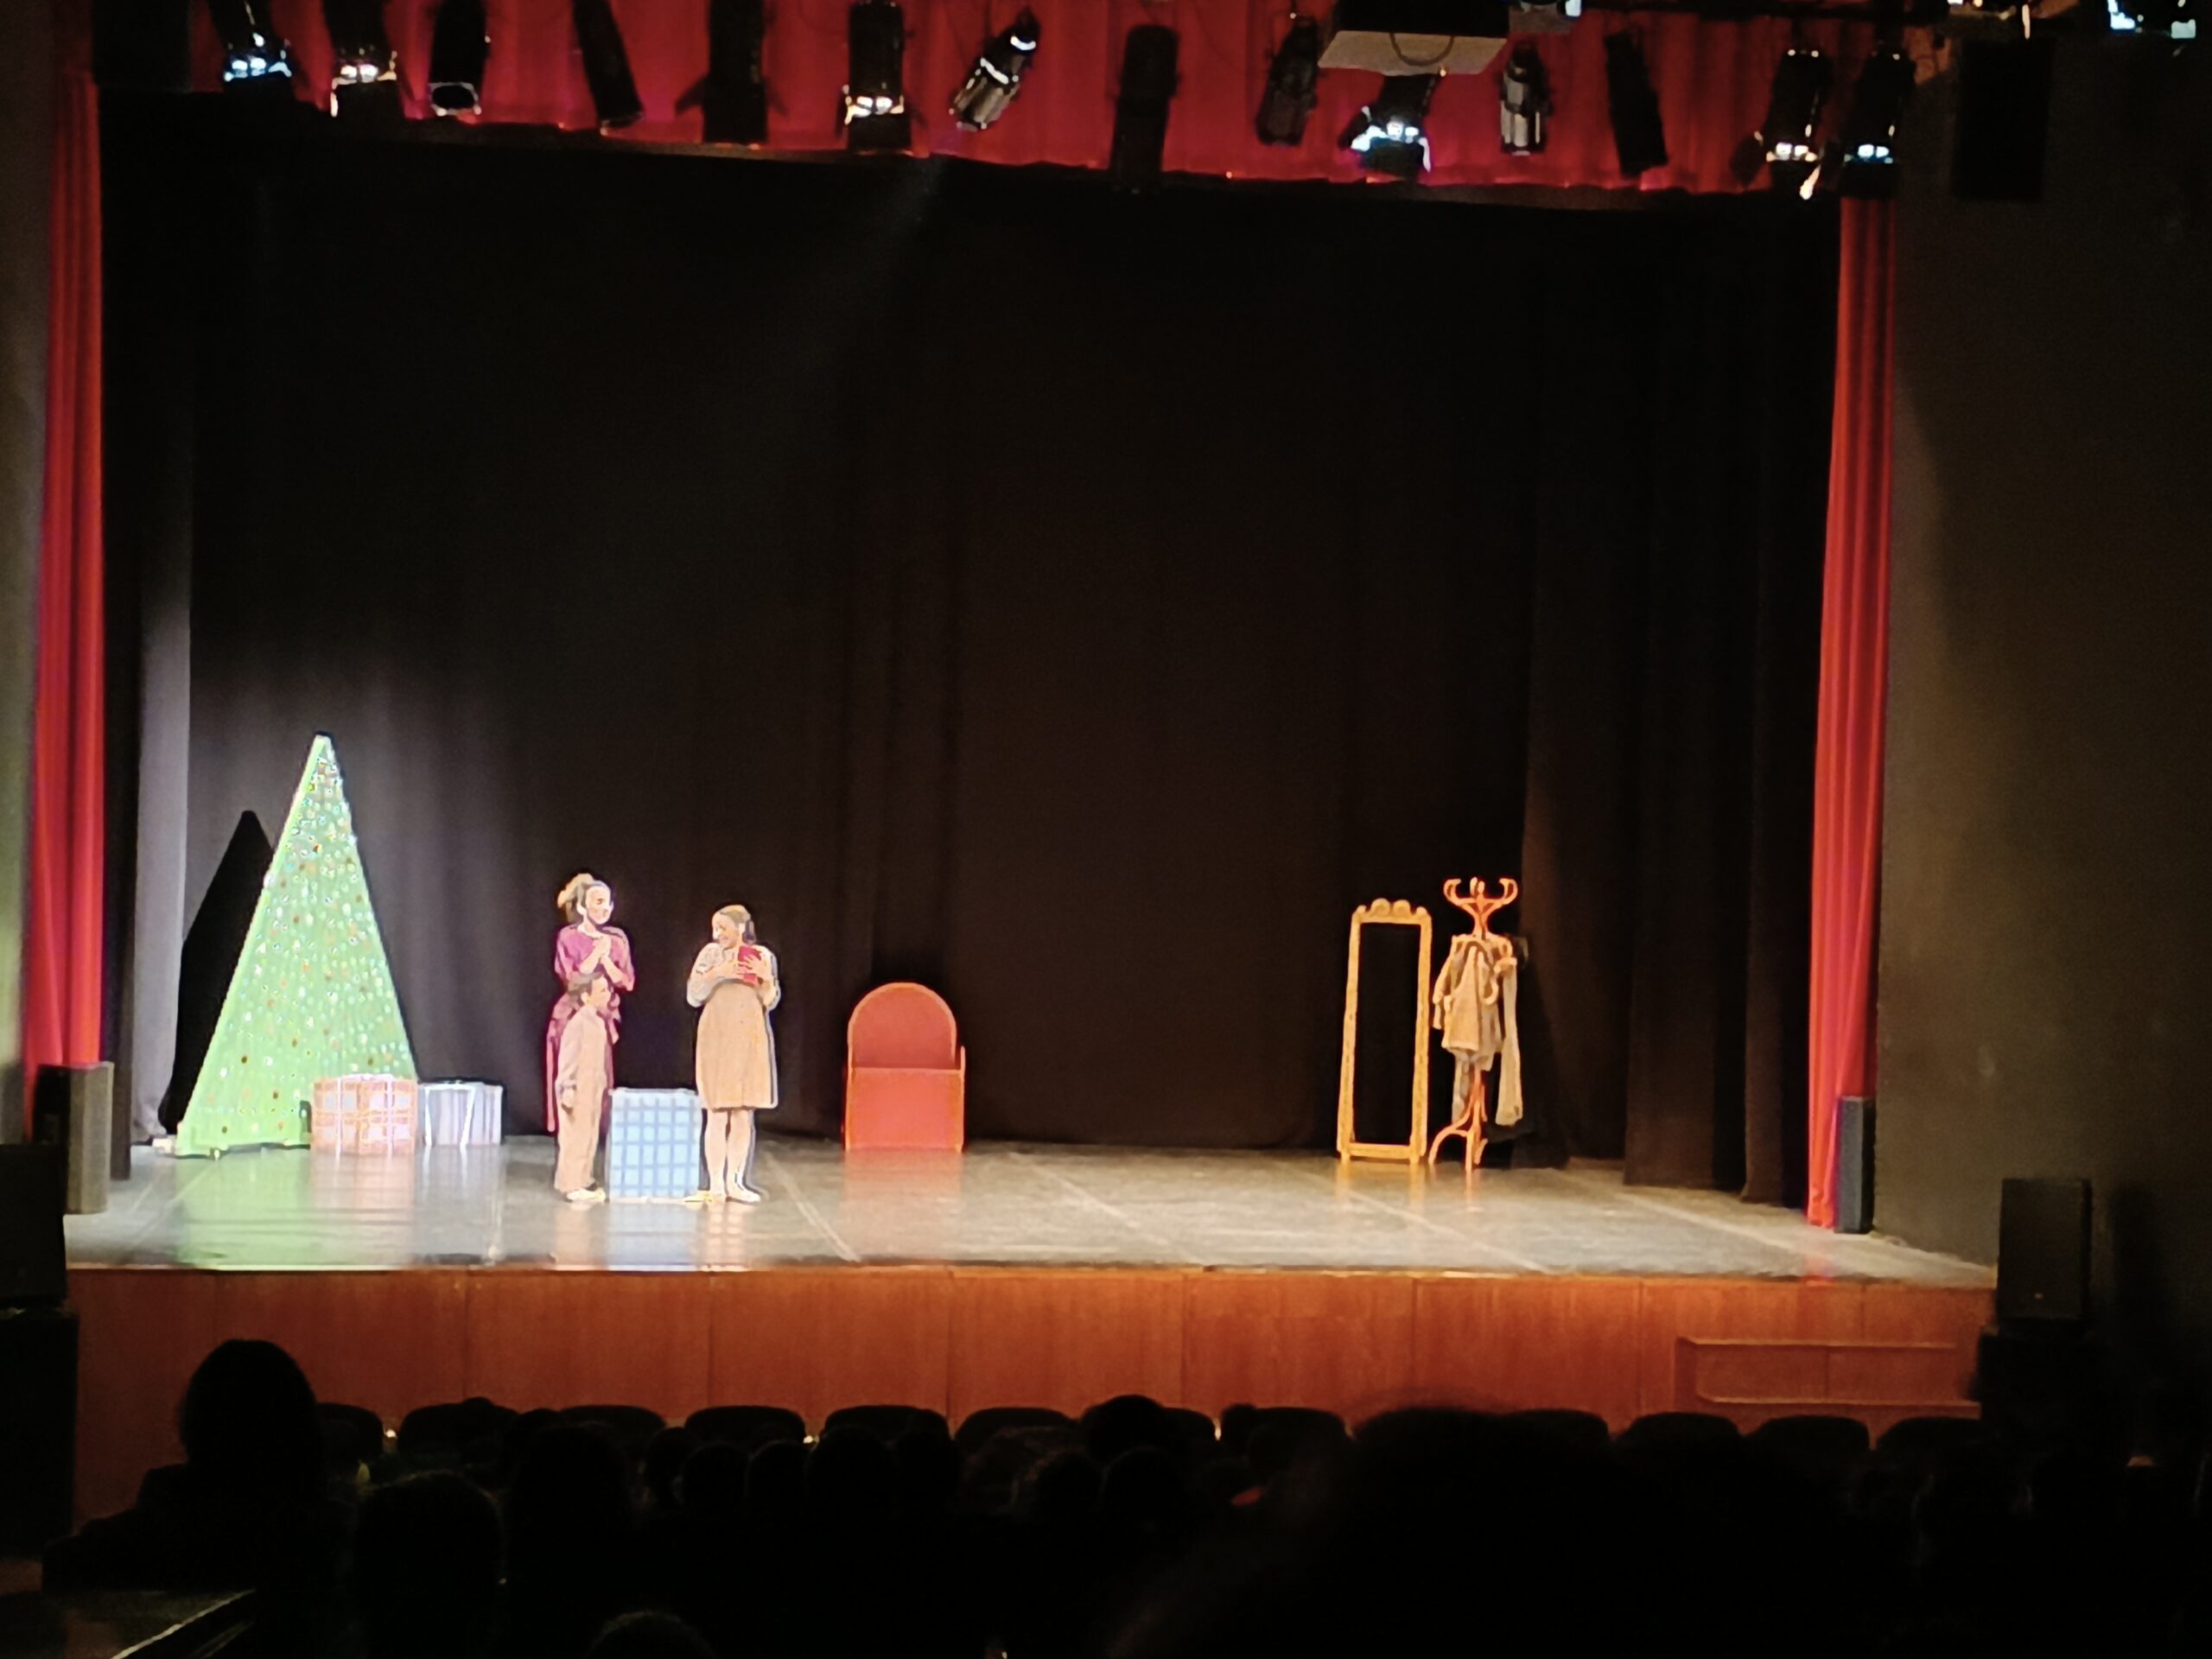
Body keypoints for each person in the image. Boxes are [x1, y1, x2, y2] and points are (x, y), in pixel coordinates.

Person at [685, 904, 779, 1202]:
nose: (718, 934)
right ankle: (715, 1183)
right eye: (715, 928)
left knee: (742, 1112)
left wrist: (766, 978)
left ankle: (735, 1181)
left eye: (723, 928)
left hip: (748, 1035)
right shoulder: (710, 954)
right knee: (717, 1111)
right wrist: (717, 973)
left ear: (740, 928)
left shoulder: (761, 955)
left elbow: (769, 1000)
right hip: (717, 1033)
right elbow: (693, 995)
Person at [544, 874, 636, 1134]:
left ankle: (594, 1131)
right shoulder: (568, 937)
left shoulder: (617, 939)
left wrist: (606, 958)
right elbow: (572, 979)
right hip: (573, 1013)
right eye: (598, 902)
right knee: (571, 1073)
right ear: (583, 907)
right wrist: (596, 953)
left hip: (602, 1014)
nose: (605, 908)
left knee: (597, 1076)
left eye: (608, 903)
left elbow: (627, 981)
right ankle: (568, 1130)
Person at [554, 972, 613, 1203]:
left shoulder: (597, 1022)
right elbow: (568, 1057)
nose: (607, 995)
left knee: (589, 1134)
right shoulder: (578, 1023)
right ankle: (572, 1183)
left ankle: (583, 1177)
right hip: (578, 1088)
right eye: (602, 991)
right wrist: (568, 1086)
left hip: (593, 1087)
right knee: (575, 1136)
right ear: (586, 996)